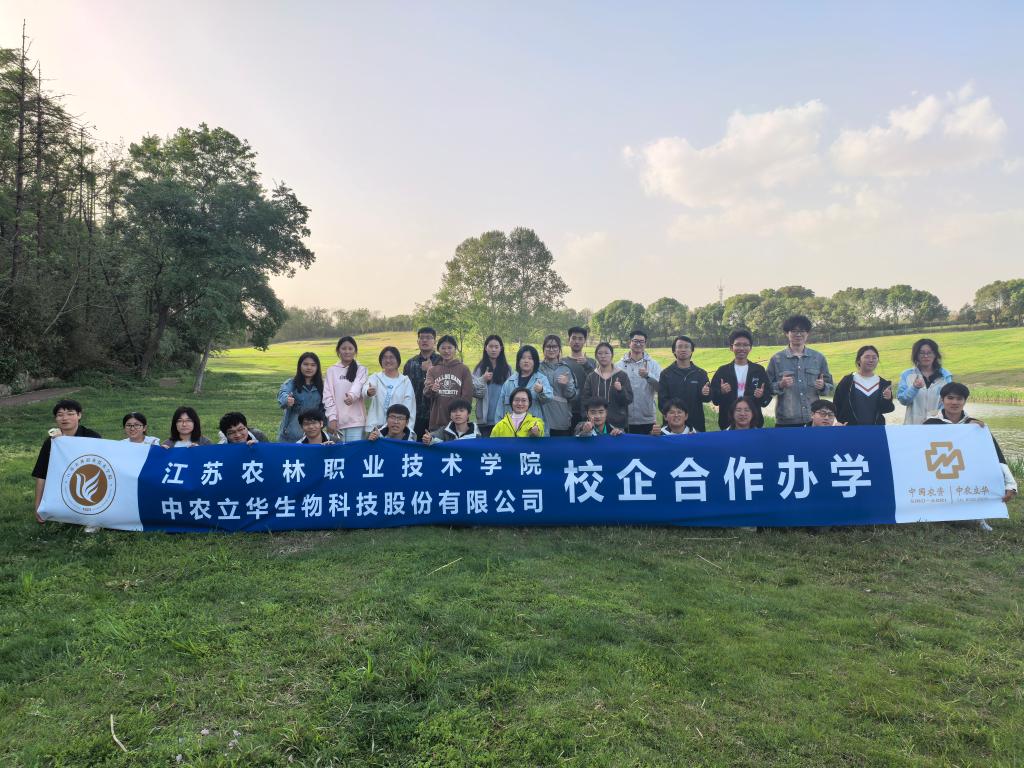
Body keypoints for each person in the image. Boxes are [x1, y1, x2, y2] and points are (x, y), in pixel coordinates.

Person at [924, 382, 1018, 530]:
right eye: (950, 398)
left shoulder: (976, 426)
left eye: (959, 399)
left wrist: (1011, 485)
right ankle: (937, 514)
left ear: (965, 401)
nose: (954, 402)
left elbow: (996, 455)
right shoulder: (930, 424)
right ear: (942, 400)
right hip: (939, 471)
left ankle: (979, 517)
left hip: (968, 471)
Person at [32, 399, 102, 517]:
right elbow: (41, 475)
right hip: (61, 486)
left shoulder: (92, 437)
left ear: (79, 415)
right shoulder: (51, 441)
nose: (65, 418)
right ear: (55, 418)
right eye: (60, 415)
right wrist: (38, 507)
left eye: (70, 414)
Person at [767, 314, 833, 427]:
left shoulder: (818, 358)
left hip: (813, 420)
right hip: (786, 421)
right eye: (794, 331)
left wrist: (823, 386)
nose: (798, 334)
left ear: (807, 333)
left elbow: (829, 386)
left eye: (802, 331)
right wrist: (780, 385)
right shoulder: (776, 359)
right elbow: (766, 388)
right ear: (787, 333)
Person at [711, 329, 772, 431]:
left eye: (745, 345)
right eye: (738, 345)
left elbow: (767, 398)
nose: (741, 348)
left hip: (754, 423)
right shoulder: (723, 371)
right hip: (728, 422)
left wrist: (761, 396)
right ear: (731, 347)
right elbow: (714, 399)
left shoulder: (758, 370)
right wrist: (721, 392)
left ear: (750, 348)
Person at [658, 335, 711, 432]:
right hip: (673, 425)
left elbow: (707, 399)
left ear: (692, 351)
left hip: (696, 423)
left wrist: (705, 393)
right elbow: (662, 402)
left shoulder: (700, 373)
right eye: (680, 347)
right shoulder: (666, 374)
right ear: (674, 351)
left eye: (687, 347)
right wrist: (676, 415)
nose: (683, 349)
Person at [833, 345, 895, 426]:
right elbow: (836, 404)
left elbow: (887, 409)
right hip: (850, 429)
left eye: (874, 358)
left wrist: (888, 399)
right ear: (859, 360)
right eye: (867, 357)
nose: (871, 360)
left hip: (875, 429)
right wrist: (841, 422)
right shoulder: (848, 381)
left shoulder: (883, 384)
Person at [323, 335, 369, 443]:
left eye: (350, 348)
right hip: (337, 423)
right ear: (338, 351)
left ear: (355, 351)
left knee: (354, 452)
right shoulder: (331, 370)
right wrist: (332, 418)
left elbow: (358, 385)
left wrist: (352, 396)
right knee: (338, 452)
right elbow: (327, 396)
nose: (347, 351)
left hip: (356, 423)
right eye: (343, 348)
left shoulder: (361, 369)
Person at [424, 335, 475, 431]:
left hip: (458, 423)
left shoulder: (463, 369)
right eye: (443, 348)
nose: (446, 351)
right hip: (437, 421)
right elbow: (426, 392)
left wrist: (462, 416)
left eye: (449, 348)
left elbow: (467, 396)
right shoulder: (433, 370)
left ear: (455, 349)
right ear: (438, 349)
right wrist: (432, 389)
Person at [897, 338, 953, 424]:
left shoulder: (945, 376)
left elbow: (949, 402)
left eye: (929, 352)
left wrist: (934, 419)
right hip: (913, 426)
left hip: (937, 425)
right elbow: (903, 400)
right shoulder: (907, 375)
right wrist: (914, 388)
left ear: (935, 354)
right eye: (921, 353)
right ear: (916, 355)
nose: (926, 356)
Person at [615, 329, 661, 434]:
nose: (638, 344)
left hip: (647, 418)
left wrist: (648, 376)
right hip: (625, 418)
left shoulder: (653, 364)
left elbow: (660, 388)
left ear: (645, 344)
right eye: (635, 341)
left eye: (641, 342)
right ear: (629, 343)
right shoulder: (618, 366)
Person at [363, 346, 416, 437]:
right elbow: (365, 390)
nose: (388, 360)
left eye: (391, 357)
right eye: (385, 357)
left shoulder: (405, 381)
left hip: (397, 430)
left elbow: (409, 406)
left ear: (397, 360)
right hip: (375, 428)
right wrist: (368, 392)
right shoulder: (375, 378)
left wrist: (407, 429)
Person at [582, 342, 633, 431]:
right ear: (596, 356)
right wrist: (587, 419)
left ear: (612, 355)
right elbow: (585, 400)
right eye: (600, 353)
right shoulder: (591, 377)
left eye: (606, 353)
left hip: (618, 424)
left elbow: (629, 399)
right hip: (596, 424)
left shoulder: (622, 375)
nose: (603, 356)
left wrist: (620, 390)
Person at [497, 345, 552, 428]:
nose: (526, 361)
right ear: (518, 361)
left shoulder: (541, 379)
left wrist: (541, 390)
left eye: (530, 358)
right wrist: (499, 427)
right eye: (523, 358)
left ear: (535, 361)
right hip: (511, 429)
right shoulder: (509, 382)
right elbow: (500, 407)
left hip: (533, 429)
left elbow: (549, 397)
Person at [403, 327, 442, 438]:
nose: (425, 340)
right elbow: (405, 388)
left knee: (436, 444)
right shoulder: (410, 363)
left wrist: (430, 370)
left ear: (434, 341)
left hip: (437, 414)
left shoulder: (441, 361)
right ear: (418, 341)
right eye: (422, 338)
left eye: (428, 338)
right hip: (415, 414)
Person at [277, 352, 325, 443]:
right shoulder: (291, 383)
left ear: (317, 367)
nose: (309, 368)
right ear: (300, 366)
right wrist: (287, 400)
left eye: (313, 365)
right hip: (291, 435)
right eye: (305, 364)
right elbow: (283, 394)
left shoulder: (323, 386)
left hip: (313, 435)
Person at [471, 334, 512, 437]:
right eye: (491, 346)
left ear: (501, 348)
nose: (493, 350)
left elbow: (512, 392)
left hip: (503, 418)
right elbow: (473, 391)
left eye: (496, 347)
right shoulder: (479, 368)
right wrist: (483, 379)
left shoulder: (507, 369)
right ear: (486, 348)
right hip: (484, 419)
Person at [539, 335, 577, 436]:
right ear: (544, 348)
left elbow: (573, 396)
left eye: (555, 346)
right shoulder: (537, 368)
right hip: (540, 418)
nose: (551, 349)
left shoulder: (566, 369)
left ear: (559, 349)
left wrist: (567, 384)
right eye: (548, 346)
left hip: (560, 419)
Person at [564, 326, 597, 429]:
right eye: (573, 338)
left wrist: (586, 365)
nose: (576, 341)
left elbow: (597, 381)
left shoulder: (592, 362)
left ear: (584, 341)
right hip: (566, 410)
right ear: (568, 340)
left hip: (586, 410)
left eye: (580, 339)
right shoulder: (562, 362)